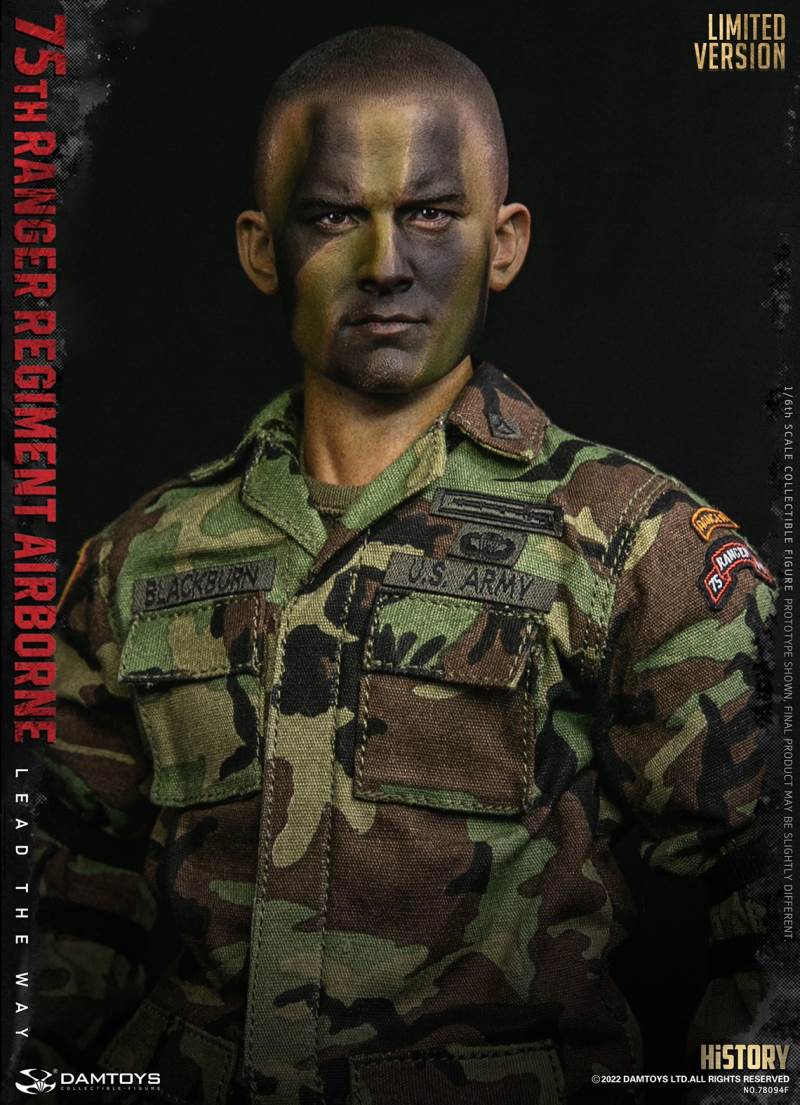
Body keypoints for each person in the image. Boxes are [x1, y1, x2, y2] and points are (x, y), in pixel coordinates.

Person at [21, 25, 775, 1105]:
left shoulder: (629, 542)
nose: (383, 264)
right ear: (262, 248)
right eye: (333, 216)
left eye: (429, 213)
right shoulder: (139, 558)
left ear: (503, 241)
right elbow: (57, 921)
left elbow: (768, 903)